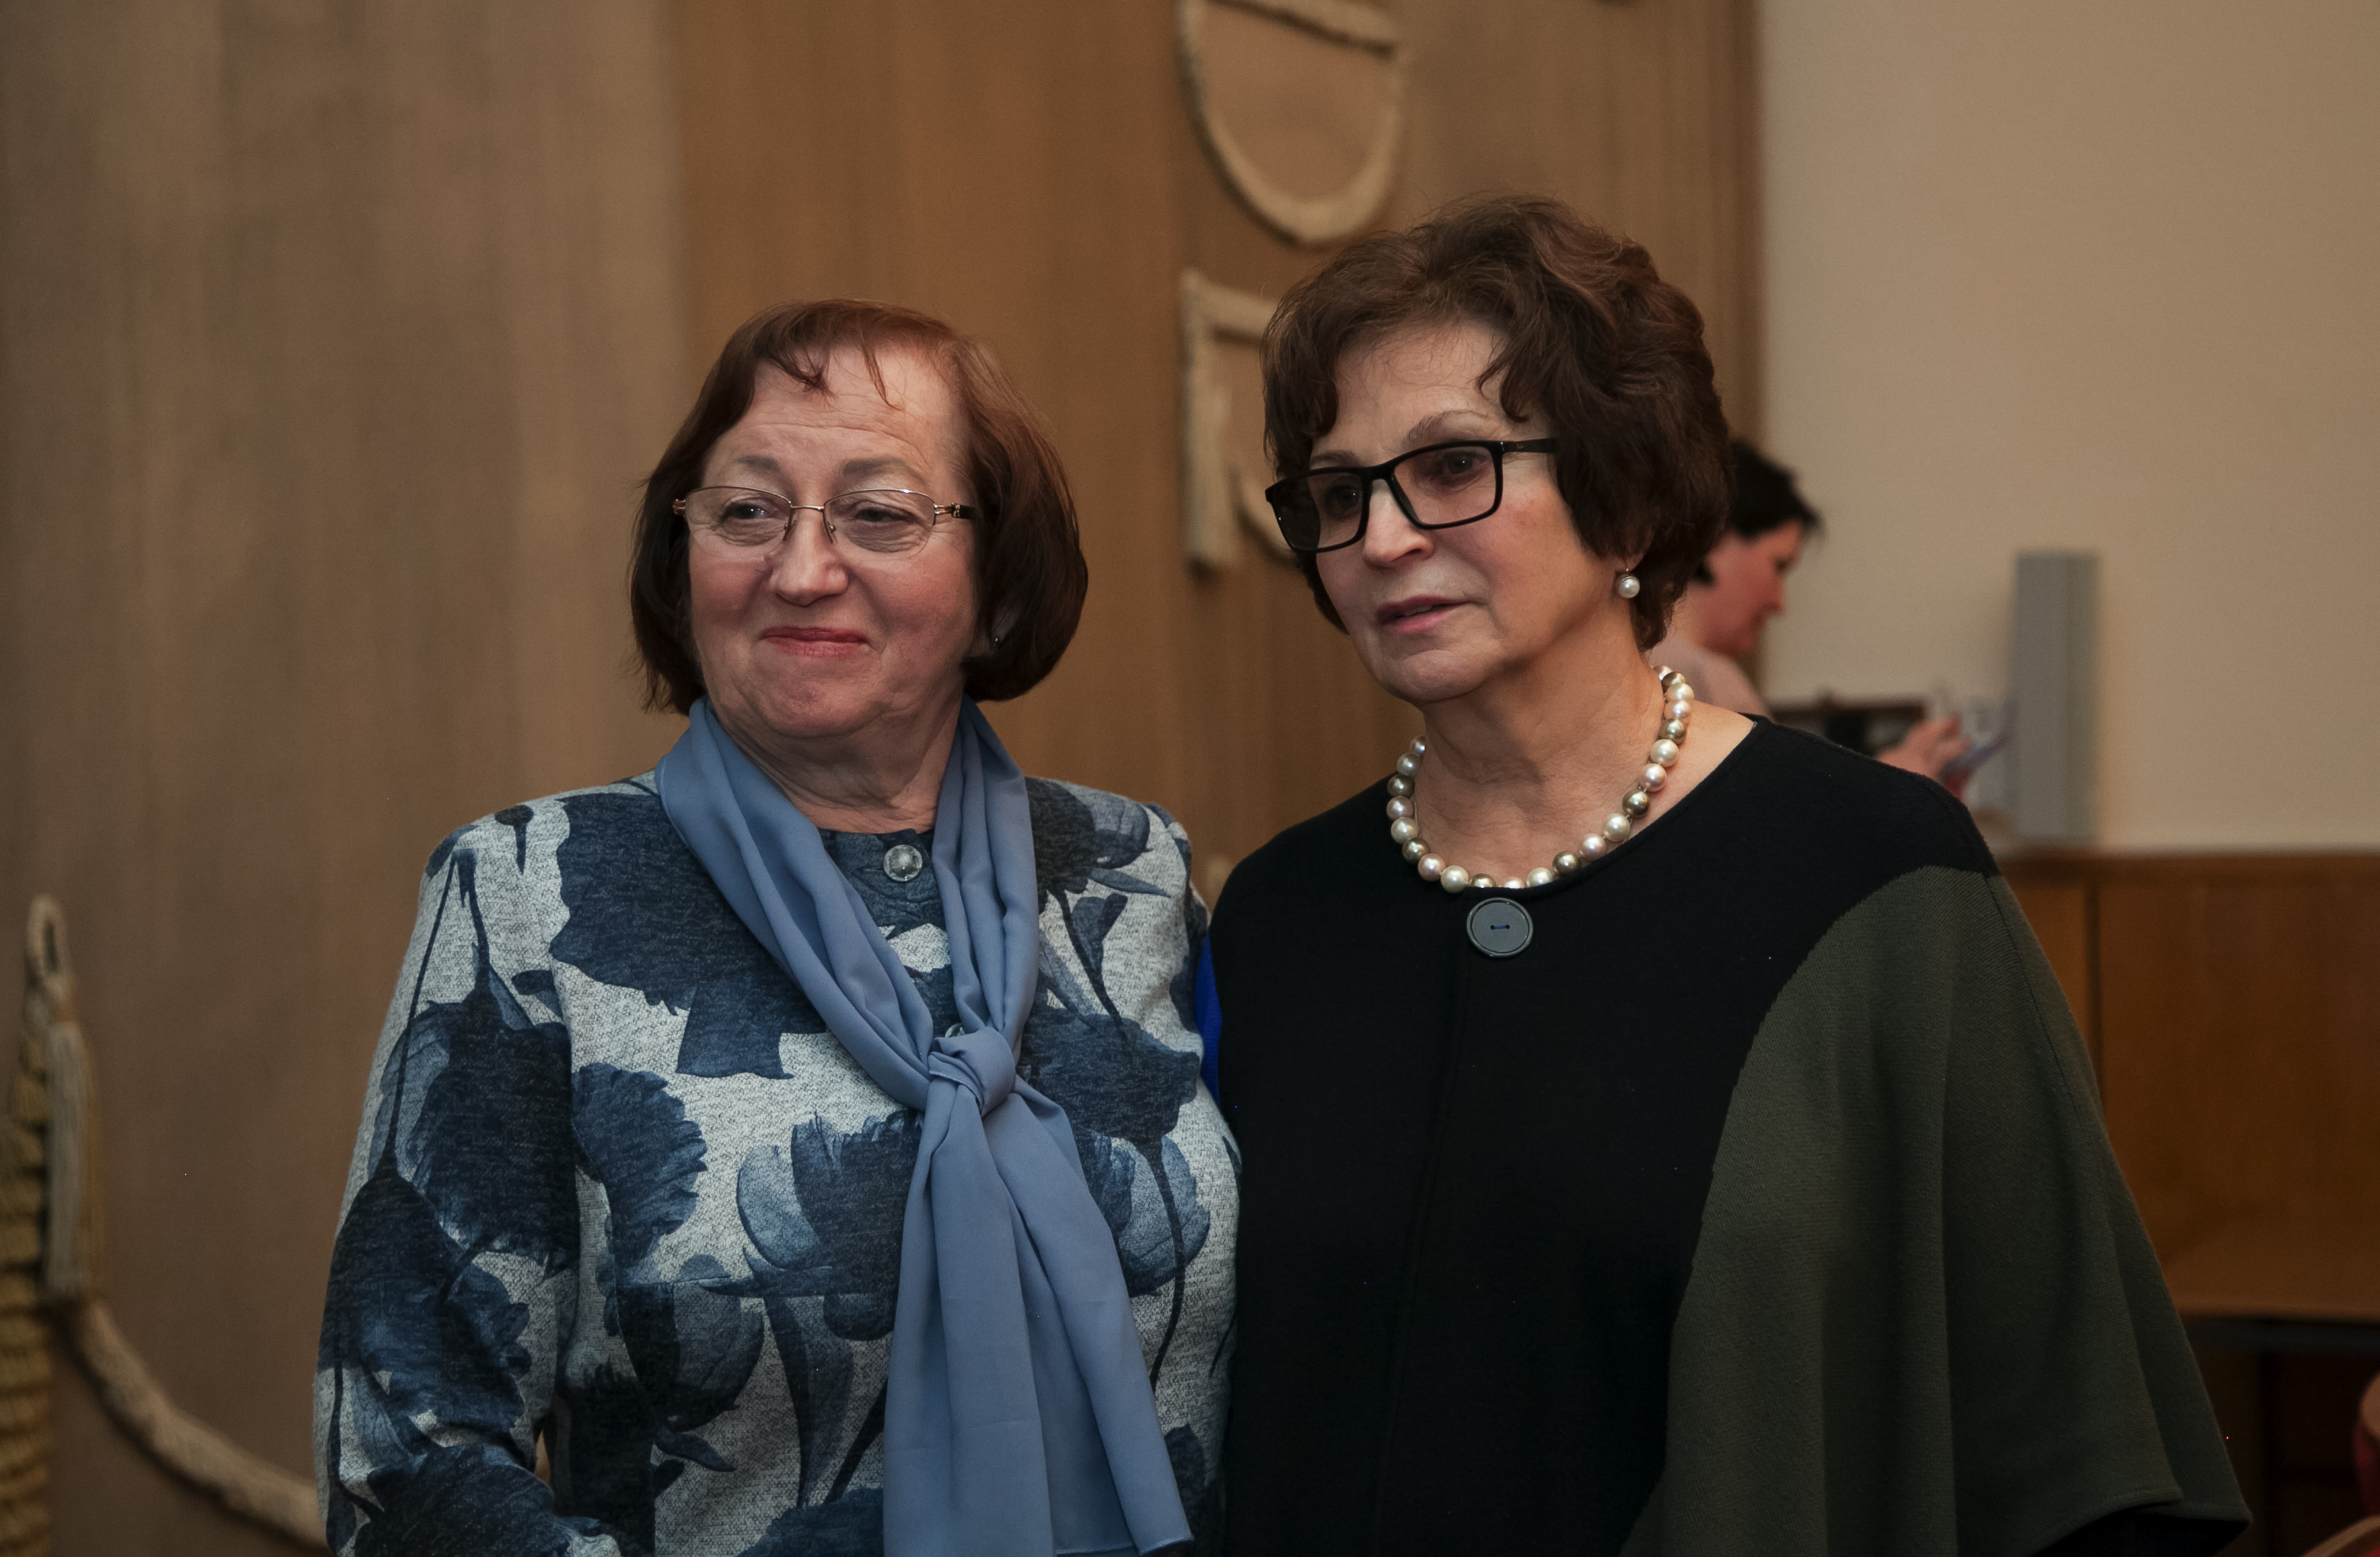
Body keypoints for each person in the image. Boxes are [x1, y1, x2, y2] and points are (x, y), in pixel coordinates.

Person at [1211, 197, 2245, 1556]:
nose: (1383, 538)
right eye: (1339, 494)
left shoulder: (1879, 877)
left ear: (1628, 500)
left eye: (1452, 465)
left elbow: (2076, 1449)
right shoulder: (1278, 916)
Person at [315, 301, 1233, 1557]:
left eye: (879, 513)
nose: (800, 568)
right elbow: (405, 1454)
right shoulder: (527, 886)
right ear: (680, 558)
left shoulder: (1132, 870)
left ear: (1001, 585)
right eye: (746, 511)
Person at [1651, 438, 1973, 782]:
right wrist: (1894, 785)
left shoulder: (1637, 660)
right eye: (1779, 566)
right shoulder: (1705, 679)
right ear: (1715, 537)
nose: (1779, 604)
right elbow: (1778, 815)